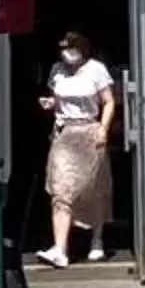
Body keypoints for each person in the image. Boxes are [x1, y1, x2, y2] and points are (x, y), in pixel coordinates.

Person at [36, 31, 116, 268]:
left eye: (72, 49)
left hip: (89, 131)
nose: (67, 54)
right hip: (65, 133)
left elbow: (109, 101)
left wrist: (103, 128)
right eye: (64, 50)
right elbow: (57, 100)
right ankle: (60, 249)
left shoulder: (96, 69)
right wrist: (50, 103)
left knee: (93, 188)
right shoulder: (57, 70)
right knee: (61, 189)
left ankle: (97, 239)